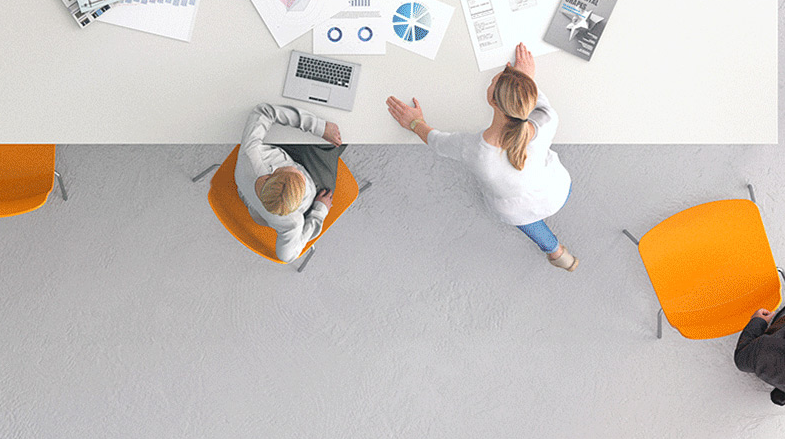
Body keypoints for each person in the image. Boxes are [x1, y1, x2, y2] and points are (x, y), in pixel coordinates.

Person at [386, 43, 577, 270]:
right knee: (527, 215)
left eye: (492, 82)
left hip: (515, 209)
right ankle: (558, 256)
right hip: (556, 193)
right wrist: (525, 78)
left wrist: (415, 123)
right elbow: (533, 99)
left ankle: (557, 252)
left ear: (493, 101)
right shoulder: (548, 119)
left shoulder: (475, 150)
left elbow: (437, 141)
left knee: (525, 219)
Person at [234, 102, 347, 262]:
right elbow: (286, 256)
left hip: (264, 188)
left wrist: (319, 127)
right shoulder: (293, 222)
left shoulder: (251, 155)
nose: (300, 173)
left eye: (294, 173)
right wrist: (318, 213)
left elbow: (263, 111)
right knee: (340, 137)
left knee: (319, 133)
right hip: (315, 187)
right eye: (300, 178)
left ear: (271, 174)